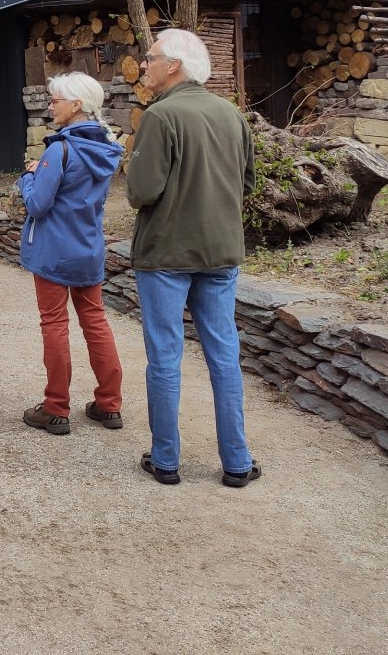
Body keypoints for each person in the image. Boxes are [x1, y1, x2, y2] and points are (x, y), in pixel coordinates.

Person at [127, 28, 259, 488]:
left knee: (165, 357)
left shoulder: (161, 117)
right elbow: (247, 183)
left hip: (166, 252)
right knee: (224, 355)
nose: (143, 64)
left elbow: (142, 192)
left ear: (174, 66)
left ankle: (166, 461)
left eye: (150, 57)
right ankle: (237, 462)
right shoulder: (232, 115)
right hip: (222, 250)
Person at [17, 72, 126, 436]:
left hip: (53, 253)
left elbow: (38, 204)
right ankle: (109, 405)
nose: (51, 106)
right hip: (88, 249)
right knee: (95, 322)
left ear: (76, 104)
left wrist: (29, 176)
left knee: (54, 324)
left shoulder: (59, 149)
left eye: (56, 100)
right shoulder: (106, 149)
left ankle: (55, 408)